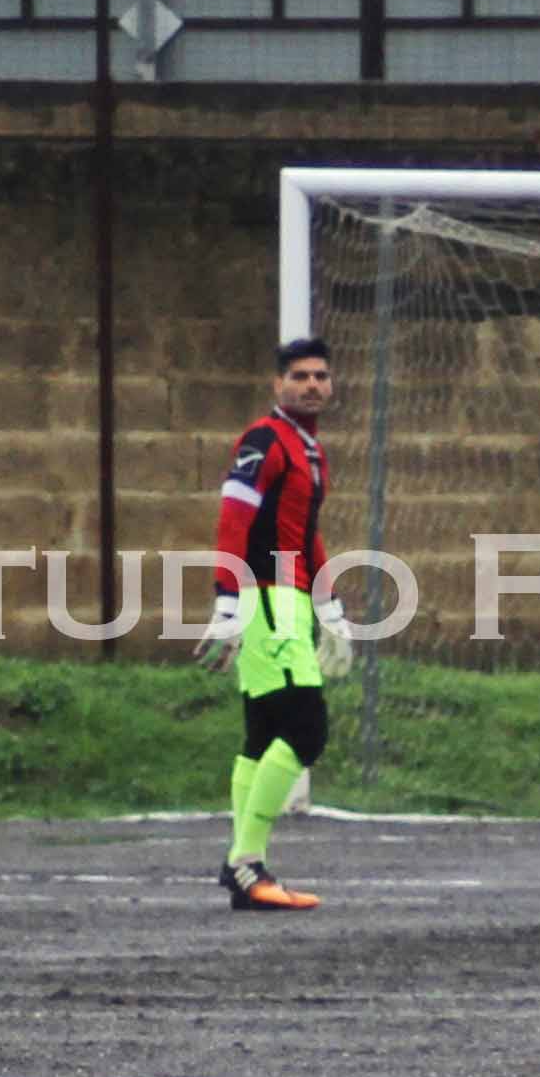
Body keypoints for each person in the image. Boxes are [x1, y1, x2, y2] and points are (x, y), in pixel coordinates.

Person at [193, 337, 350, 912]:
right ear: (277, 385)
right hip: (265, 599)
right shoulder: (264, 439)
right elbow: (234, 518)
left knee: (262, 735)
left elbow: (305, 533)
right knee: (306, 731)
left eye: (321, 376)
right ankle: (244, 864)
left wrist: (329, 604)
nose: (312, 384)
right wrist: (229, 601)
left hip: (290, 599)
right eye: (300, 376)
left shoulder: (308, 447)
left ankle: (241, 867)